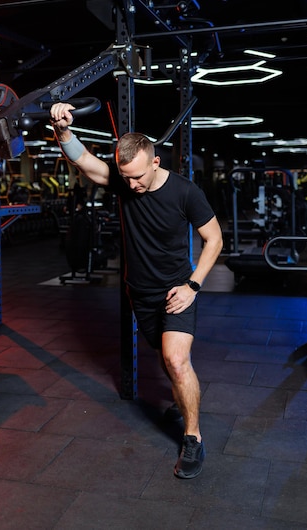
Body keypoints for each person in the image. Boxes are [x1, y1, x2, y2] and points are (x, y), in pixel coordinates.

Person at [50, 102, 223, 479]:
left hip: (177, 290)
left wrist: (193, 285)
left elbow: (214, 240)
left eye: (138, 177)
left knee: (176, 360)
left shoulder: (185, 192)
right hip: (139, 294)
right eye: (126, 178)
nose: (132, 186)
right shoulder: (124, 181)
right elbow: (84, 160)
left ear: (156, 162)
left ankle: (192, 437)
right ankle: (182, 399)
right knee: (165, 360)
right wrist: (62, 129)